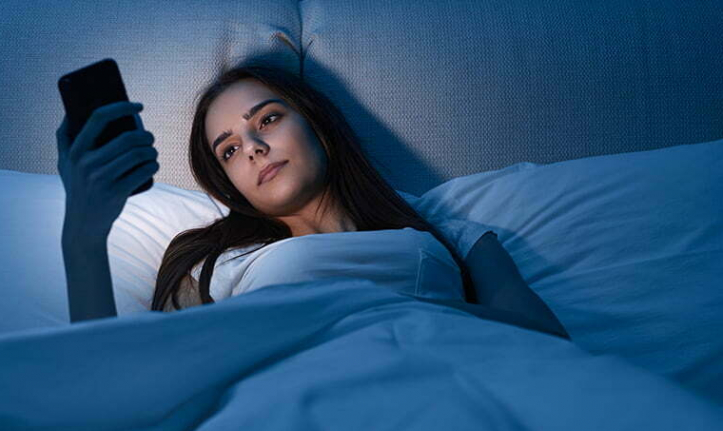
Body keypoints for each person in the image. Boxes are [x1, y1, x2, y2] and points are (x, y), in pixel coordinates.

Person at [56, 61, 570, 341]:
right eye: (230, 149)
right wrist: (83, 234)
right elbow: (119, 379)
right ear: (230, 184)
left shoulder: (452, 236)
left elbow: (548, 344)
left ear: (317, 124)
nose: (254, 147)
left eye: (268, 119)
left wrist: (375, 312)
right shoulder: (212, 264)